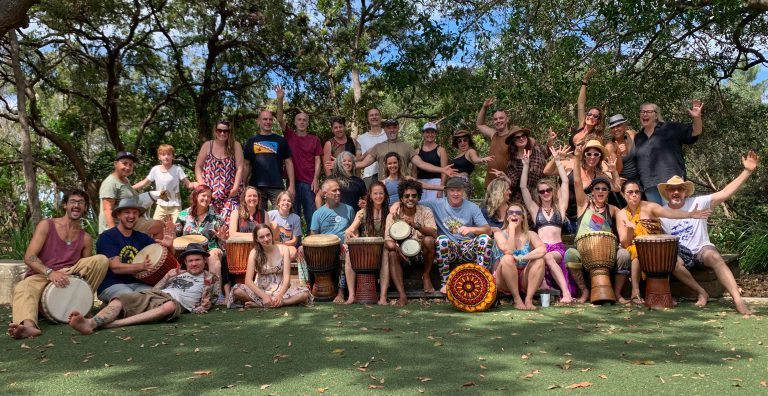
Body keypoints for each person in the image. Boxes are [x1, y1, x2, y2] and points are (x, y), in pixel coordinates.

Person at [659, 150, 759, 314]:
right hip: (681, 254)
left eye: (679, 189)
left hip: (701, 250)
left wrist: (747, 171)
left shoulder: (699, 202)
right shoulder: (662, 212)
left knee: (713, 255)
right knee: (673, 262)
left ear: (685, 191)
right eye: (671, 189)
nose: (676, 192)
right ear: (667, 192)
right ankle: (701, 292)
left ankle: (738, 301)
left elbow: (725, 193)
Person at [8, 190, 109, 339]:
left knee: (101, 260)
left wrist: (70, 276)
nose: (76, 205)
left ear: (85, 207)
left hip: (69, 275)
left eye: (81, 203)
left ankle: (80, 305)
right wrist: (50, 272)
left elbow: (86, 271)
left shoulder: (85, 237)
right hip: (41, 275)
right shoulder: (46, 225)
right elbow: (29, 257)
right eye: (73, 202)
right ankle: (28, 326)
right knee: (23, 287)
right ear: (65, 205)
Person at [68, 243, 221, 334]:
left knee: (169, 306)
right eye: (190, 261)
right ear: (186, 263)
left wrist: (202, 306)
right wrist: (169, 276)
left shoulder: (210, 278)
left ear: (204, 261)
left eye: (197, 260)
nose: (194, 263)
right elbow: (156, 289)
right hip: (157, 294)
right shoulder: (175, 274)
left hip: (174, 303)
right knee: (120, 299)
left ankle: (116, 323)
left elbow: (210, 301)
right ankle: (91, 323)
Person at [616, 180, 712, 305]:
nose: (634, 195)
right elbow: (624, 243)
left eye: (637, 192)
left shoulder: (650, 206)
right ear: (623, 195)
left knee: (675, 263)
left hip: (658, 247)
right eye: (630, 192)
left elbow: (670, 213)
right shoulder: (621, 214)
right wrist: (629, 230)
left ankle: (701, 291)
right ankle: (635, 292)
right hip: (636, 250)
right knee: (636, 251)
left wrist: (690, 214)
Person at [563, 145, 630, 303]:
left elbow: (619, 188)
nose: (600, 191)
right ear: (592, 192)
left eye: (604, 189)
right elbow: (577, 181)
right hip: (585, 254)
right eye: (597, 189)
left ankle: (618, 293)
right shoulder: (583, 205)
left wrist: (613, 171)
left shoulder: (613, 210)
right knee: (570, 254)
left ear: (608, 193)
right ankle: (584, 291)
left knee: (624, 255)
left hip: (607, 254)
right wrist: (578, 158)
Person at [410, 177, 492, 294]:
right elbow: (414, 202)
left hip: (468, 247)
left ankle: (482, 279)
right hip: (449, 248)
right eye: (452, 190)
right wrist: (397, 203)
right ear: (446, 191)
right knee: (441, 240)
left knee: (485, 239)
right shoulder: (437, 204)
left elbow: (487, 230)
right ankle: (446, 283)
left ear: (463, 191)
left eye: (458, 190)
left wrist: (471, 229)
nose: (455, 194)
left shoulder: (472, 207)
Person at [520, 145, 575, 303]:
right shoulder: (535, 210)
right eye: (542, 191)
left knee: (548, 257)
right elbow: (523, 187)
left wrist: (557, 160)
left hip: (556, 249)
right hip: (540, 247)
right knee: (540, 256)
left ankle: (566, 294)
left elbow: (565, 182)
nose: (545, 193)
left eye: (548, 190)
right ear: (538, 194)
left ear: (552, 191)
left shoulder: (560, 209)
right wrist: (525, 166)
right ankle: (541, 286)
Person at [96, 199, 175, 303]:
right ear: (119, 215)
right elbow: (116, 268)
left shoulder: (142, 238)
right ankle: (117, 307)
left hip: (138, 284)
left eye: (135, 213)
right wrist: (142, 266)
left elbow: (164, 258)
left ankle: (119, 307)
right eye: (127, 212)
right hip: (112, 284)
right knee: (132, 298)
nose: (131, 216)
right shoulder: (107, 237)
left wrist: (169, 246)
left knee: (161, 299)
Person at [635, 100, 704, 204]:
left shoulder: (670, 128)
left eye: (648, 112)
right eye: (642, 112)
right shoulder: (638, 137)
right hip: (649, 185)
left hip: (671, 183)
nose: (644, 114)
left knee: (675, 217)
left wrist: (697, 117)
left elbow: (695, 131)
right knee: (659, 219)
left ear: (656, 115)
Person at [230, 224, 312, 308]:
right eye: (261, 237)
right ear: (256, 239)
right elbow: (248, 281)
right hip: (260, 292)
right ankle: (269, 302)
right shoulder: (254, 253)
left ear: (272, 235)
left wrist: (279, 296)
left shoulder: (284, 249)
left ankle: (271, 303)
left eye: (268, 235)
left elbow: (287, 278)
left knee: (304, 293)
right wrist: (264, 296)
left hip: (281, 292)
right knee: (237, 290)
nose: (266, 239)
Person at [547, 139, 620, 233]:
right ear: (584, 156)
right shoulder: (570, 165)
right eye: (589, 154)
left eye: (596, 154)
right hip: (562, 215)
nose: (592, 157)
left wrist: (614, 171)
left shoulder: (599, 176)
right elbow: (547, 171)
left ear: (600, 158)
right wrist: (556, 158)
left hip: (583, 220)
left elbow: (617, 188)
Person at [383, 180, 438, 306]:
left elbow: (434, 234)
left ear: (418, 197)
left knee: (429, 240)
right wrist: (397, 249)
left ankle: (426, 275)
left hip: (422, 253)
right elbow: (387, 241)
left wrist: (416, 226)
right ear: (401, 198)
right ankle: (402, 295)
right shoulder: (393, 215)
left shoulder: (425, 211)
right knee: (391, 254)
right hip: (402, 253)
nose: (410, 199)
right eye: (406, 196)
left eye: (414, 196)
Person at [275, 86, 323, 226]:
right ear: (295, 122)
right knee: (292, 216)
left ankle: (311, 245)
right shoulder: (290, 136)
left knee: (311, 216)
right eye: (299, 119)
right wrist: (280, 99)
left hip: (309, 184)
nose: (302, 122)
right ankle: (294, 245)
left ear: (307, 123)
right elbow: (279, 118)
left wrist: (316, 179)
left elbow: (318, 160)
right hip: (293, 183)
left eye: (304, 120)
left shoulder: (314, 139)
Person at [355, 118, 455, 184]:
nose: (392, 130)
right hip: (384, 188)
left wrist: (442, 169)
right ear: (385, 129)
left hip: (403, 189)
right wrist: (344, 164)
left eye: (394, 127)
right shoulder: (378, 147)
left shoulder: (406, 146)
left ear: (398, 128)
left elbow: (421, 164)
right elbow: (362, 164)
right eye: (389, 128)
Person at [303, 179, 356, 303]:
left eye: (339, 190)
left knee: (346, 251)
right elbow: (313, 236)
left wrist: (352, 238)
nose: (338, 192)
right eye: (334, 190)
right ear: (325, 194)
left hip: (342, 247)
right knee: (301, 250)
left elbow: (355, 231)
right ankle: (305, 290)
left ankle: (341, 292)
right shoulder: (318, 213)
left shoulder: (349, 209)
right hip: (324, 250)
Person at [176, 185, 229, 304]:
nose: (206, 198)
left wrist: (222, 239)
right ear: (196, 196)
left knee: (214, 254)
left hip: (211, 250)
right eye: (203, 195)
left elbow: (224, 244)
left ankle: (216, 294)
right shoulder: (183, 215)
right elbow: (177, 237)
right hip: (188, 251)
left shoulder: (216, 218)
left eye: (209, 197)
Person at [342, 181, 390, 305]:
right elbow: (350, 229)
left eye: (381, 193)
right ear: (370, 195)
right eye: (375, 194)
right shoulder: (362, 212)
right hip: (365, 249)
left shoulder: (390, 211)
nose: (378, 196)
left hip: (383, 248)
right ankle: (352, 295)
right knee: (348, 255)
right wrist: (350, 234)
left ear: (385, 195)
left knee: (385, 254)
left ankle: (383, 297)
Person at [493, 202, 547, 310]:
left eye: (518, 213)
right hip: (504, 279)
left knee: (539, 260)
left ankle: (528, 299)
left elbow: (542, 250)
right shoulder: (499, 234)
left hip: (524, 278)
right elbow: (509, 250)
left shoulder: (530, 234)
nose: (514, 215)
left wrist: (523, 257)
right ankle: (517, 299)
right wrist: (512, 230)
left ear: (522, 218)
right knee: (507, 258)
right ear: (507, 217)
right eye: (511, 212)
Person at [99, 151, 164, 238]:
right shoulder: (111, 183)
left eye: (131, 164)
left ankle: (154, 250)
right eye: (124, 163)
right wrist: (115, 235)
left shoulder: (125, 180)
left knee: (161, 225)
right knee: (159, 226)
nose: (128, 167)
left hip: (131, 222)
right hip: (119, 227)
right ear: (115, 164)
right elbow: (107, 210)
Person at [194, 120, 244, 224]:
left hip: (230, 195)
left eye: (226, 131)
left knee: (228, 225)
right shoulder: (208, 145)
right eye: (219, 130)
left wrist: (235, 188)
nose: (222, 133)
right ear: (215, 131)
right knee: (209, 225)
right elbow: (198, 166)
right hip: (210, 196)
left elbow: (240, 168)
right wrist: (202, 185)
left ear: (230, 132)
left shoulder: (235, 145)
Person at [243, 110, 295, 210]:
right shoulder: (251, 141)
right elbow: (246, 165)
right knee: (259, 219)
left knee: (281, 215)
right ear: (258, 121)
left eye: (270, 119)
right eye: (265, 119)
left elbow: (289, 163)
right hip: (256, 186)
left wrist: (291, 185)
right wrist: (243, 184)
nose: (268, 122)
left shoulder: (281, 140)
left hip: (277, 185)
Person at [134, 144, 195, 222]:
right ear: (159, 157)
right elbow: (144, 183)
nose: (166, 157)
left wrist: (198, 184)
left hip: (175, 206)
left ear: (173, 157)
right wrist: (130, 188)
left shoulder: (177, 169)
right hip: (161, 205)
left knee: (177, 228)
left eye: (169, 154)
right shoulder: (155, 170)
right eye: (163, 154)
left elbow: (189, 184)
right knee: (154, 226)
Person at [475, 97, 514, 187]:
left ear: (507, 119)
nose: (498, 121)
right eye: (495, 119)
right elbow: (480, 124)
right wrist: (484, 107)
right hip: (491, 184)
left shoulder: (514, 136)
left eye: (501, 118)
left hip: (507, 184)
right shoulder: (493, 134)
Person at [505, 126, 549, 204]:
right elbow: (512, 184)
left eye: (523, 136)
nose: (521, 138)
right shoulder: (513, 162)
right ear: (513, 141)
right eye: (517, 137)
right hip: (524, 200)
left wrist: (550, 141)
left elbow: (548, 153)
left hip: (543, 194)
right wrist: (505, 178)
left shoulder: (537, 149)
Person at [449, 130, 493, 199]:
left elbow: (475, 159)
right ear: (456, 143)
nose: (462, 142)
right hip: (451, 184)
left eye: (465, 140)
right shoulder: (456, 156)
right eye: (459, 141)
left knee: (462, 207)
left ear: (469, 141)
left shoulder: (470, 151)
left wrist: (482, 159)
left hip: (462, 183)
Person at [570, 69, 603, 149]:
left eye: (595, 116)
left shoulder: (596, 138)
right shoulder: (582, 124)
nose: (591, 117)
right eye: (589, 114)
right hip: (566, 159)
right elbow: (581, 103)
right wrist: (585, 81)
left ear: (598, 121)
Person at [416, 122, 448, 201]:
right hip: (421, 184)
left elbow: (444, 171)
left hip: (436, 183)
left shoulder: (441, 150)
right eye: (427, 132)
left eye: (432, 132)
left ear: (435, 134)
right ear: (423, 133)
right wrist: (415, 188)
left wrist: (441, 188)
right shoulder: (417, 151)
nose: (430, 135)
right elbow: (414, 172)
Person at [357, 107, 388, 187]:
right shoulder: (361, 138)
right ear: (368, 118)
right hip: (369, 176)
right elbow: (358, 160)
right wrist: (367, 153)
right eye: (371, 115)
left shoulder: (388, 134)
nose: (374, 117)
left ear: (380, 117)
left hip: (388, 174)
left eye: (376, 115)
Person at [268, 191, 302, 261]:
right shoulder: (270, 215)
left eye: (288, 201)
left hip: (287, 245)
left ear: (291, 204)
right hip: (272, 244)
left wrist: (281, 244)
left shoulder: (296, 218)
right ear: (278, 203)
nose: (286, 203)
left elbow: (294, 241)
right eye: (283, 200)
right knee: (274, 224)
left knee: (293, 253)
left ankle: (277, 259)